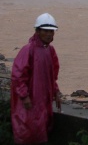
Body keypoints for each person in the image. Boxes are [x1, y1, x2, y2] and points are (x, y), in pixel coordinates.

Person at [10, 13, 63, 144]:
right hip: (30, 100)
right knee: (28, 130)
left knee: (41, 129)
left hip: (43, 99)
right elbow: (18, 75)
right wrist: (24, 96)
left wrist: (56, 91)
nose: (49, 34)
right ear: (38, 31)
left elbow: (52, 75)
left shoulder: (50, 51)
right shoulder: (28, 50)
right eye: (46, 31)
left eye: (51, 31)